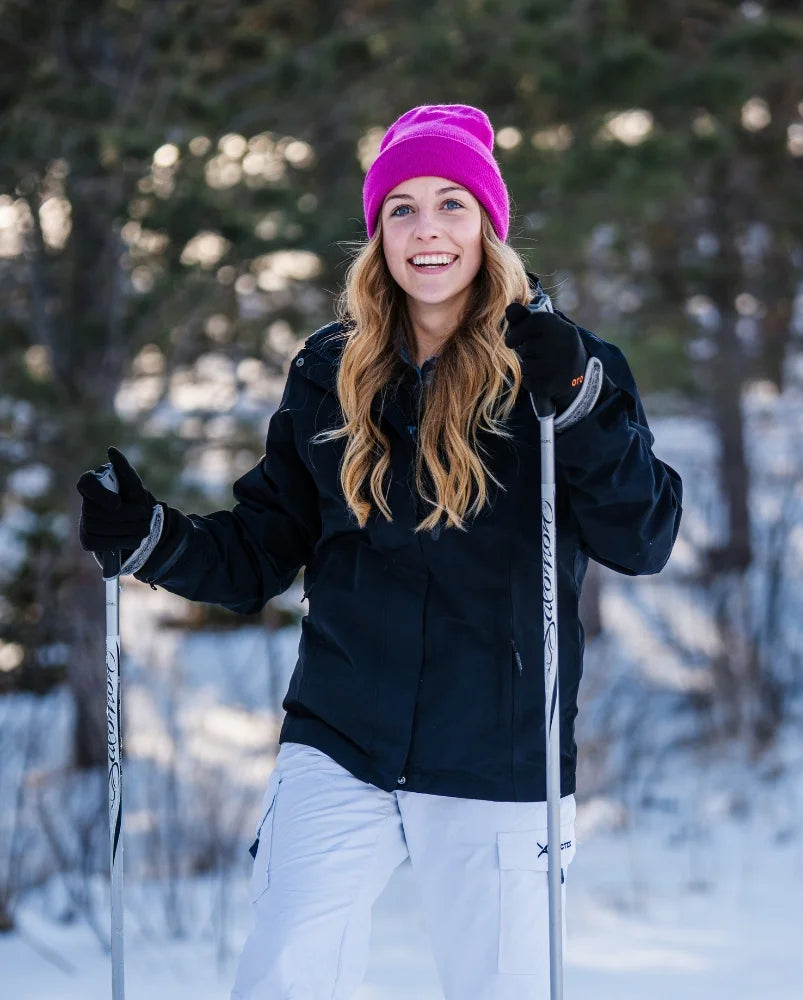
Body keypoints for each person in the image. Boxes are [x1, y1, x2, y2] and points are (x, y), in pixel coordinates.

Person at [77, 104, 683, 1000]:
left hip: (499, 751)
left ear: (488, 226)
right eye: (402, 208)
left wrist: (582, 404)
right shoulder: (330, 370)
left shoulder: (564, 366)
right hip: (341, 735)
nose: (427, 229)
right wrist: (153, 539)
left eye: (451, 204)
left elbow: (645, 538)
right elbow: (261, 550)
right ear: (378, 235)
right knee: (285, 974)